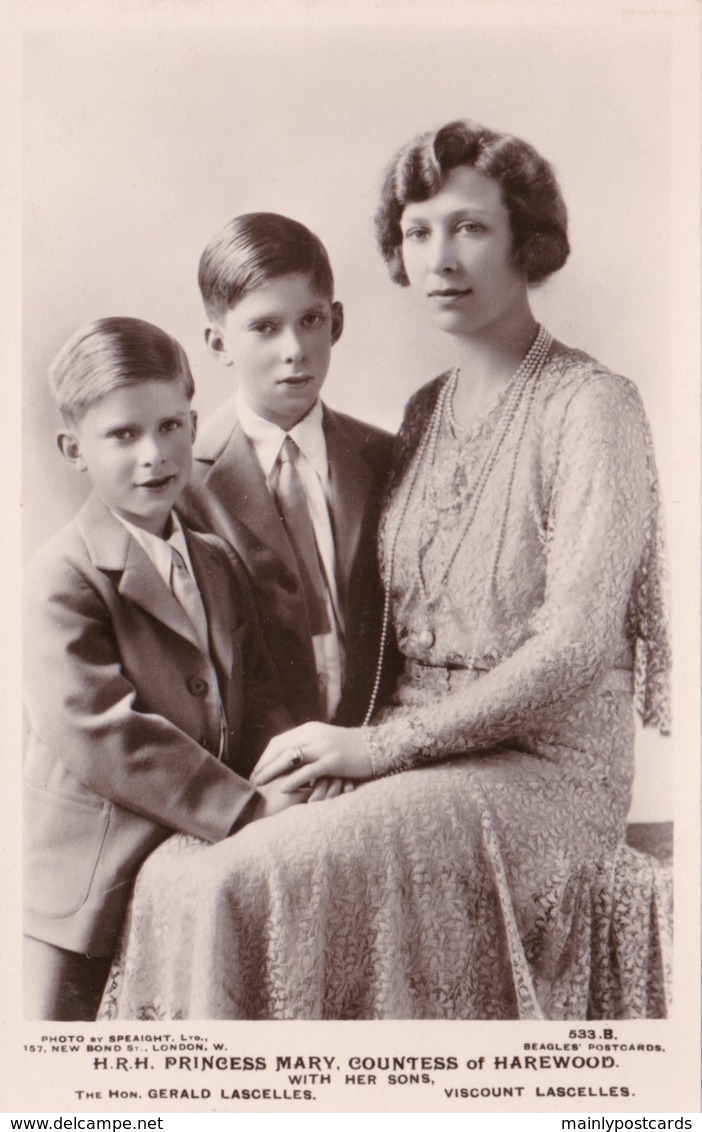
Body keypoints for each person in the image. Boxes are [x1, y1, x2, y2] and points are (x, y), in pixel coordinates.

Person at [101, 122, 671, 1020]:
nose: (439, 257)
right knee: (185, 869)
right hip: (413, 749)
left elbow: (572, 649)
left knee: (248, 880)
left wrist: (375, 751)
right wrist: (354, 751)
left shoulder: (595, 408)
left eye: (469, 227)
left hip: (547, 771)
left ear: (527, 236)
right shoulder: (425, 410)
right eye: (417, 231)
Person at [23, 317, 306, 1020]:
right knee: (62, 1062)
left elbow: (258, 696)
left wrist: (288, 775)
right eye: (123, 435)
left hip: (194, 861)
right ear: (74, 449)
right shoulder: (62, 576)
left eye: (172, 426)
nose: (155, 454)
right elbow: (103, 733)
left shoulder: (213, 559)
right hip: (90, 881)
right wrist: (243, 807)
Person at [180, 213, 395, 740]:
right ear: (218, 344)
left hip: (379, 740)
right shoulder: (185, 485)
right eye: (264, 328)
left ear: (336, 322)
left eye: (311, 320)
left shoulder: (387, 457)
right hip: (267, 764)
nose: (294, 349)